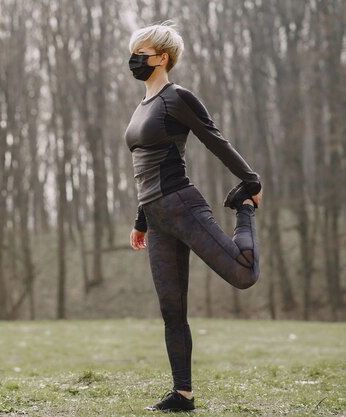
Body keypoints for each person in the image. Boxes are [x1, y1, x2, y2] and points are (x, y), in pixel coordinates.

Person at [124, 21, 263, 412]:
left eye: (141, 53)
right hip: (156, 214)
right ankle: (182, 395)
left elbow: (215, 138)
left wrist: (250, 182)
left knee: (243, 274)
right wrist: (140, 220)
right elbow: (144, 168)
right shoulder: (142, 107)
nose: (134, 60)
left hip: (181, 204)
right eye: (134, 53)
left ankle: (244, 212)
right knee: (171, 307)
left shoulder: (176, 97)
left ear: (161, 58)